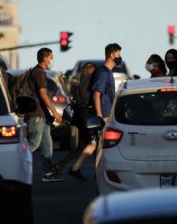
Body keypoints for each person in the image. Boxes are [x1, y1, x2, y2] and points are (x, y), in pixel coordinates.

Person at [68, 43, 122, 180]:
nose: (120, 57)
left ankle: (78, 169)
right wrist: (99, 115)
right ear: (111, 55)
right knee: (100, 144)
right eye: (118, 54)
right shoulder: (103, 72)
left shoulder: (106, 72)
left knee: (96, 144)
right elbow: (96, 94)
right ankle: (96, 172)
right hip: (103, 114)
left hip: (105, 113)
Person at [25, 47, 63, 182]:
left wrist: (49, 114)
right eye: (51, 57)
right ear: (45, 58)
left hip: (42, 115)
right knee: (33, 144)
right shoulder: (39, 72)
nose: (52, 60)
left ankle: (48, 173)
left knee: (48, 144)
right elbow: (42, 94)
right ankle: (11, 164)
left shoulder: (38, 71)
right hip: (36, 115)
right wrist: (54, 112)